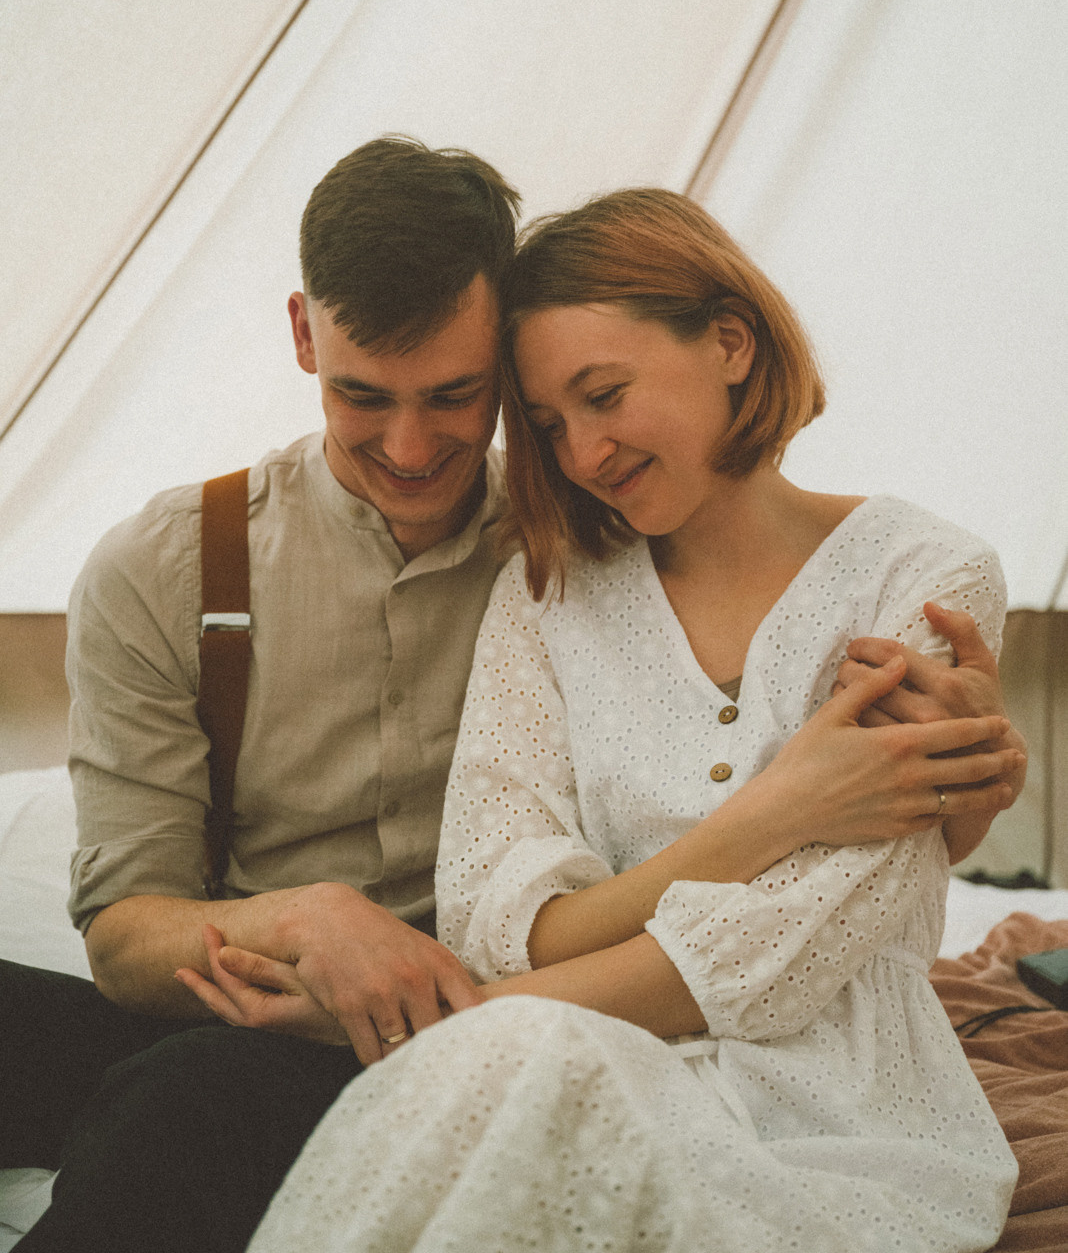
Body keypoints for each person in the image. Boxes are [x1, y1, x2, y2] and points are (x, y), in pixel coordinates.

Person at [1, 155, 1019, 1253]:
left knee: (190, 1099)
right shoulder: (176, 570)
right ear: (304, 337)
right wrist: (301, 918)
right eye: (361, 395)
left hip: (485, 1025)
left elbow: (793, 905)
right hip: (296, 994)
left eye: (454, 397)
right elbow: (131, 930)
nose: (409, 447)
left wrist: (958, 801)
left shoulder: (554, 542)